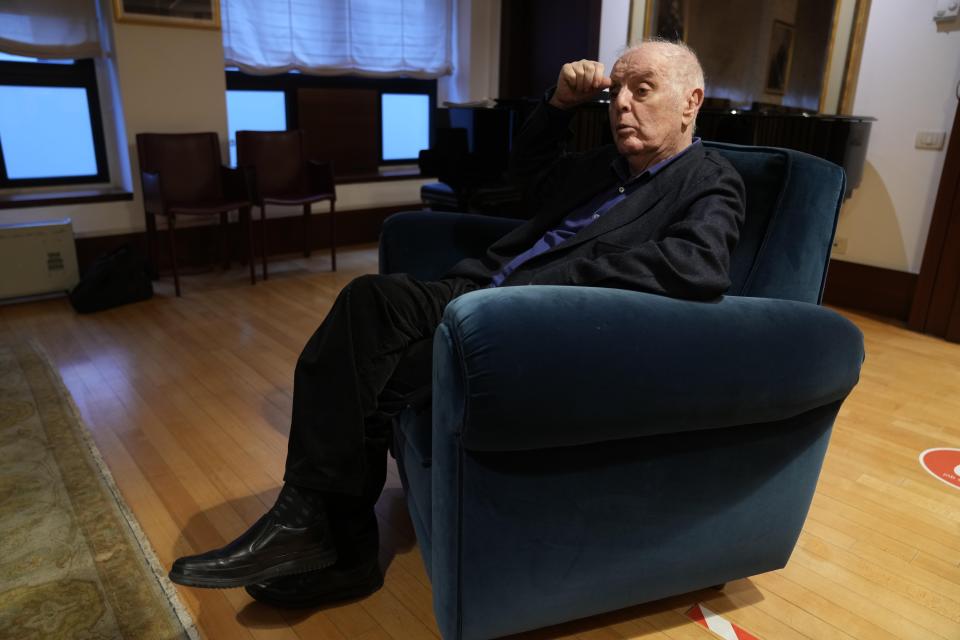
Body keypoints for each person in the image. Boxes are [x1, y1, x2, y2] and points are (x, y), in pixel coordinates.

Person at [169, 40, 745, 607]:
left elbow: (699, 263)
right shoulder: (605, 165)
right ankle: (315, 527)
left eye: (641, 91)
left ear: (691, 100)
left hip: (526, 319)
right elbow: (528, 176)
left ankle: (335, 548)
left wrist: (562, 282)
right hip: (476, 285)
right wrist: (560, 106)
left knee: (374, 377)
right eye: (616, 91)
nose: (621, 104)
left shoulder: (708, 179)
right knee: (368, 301)